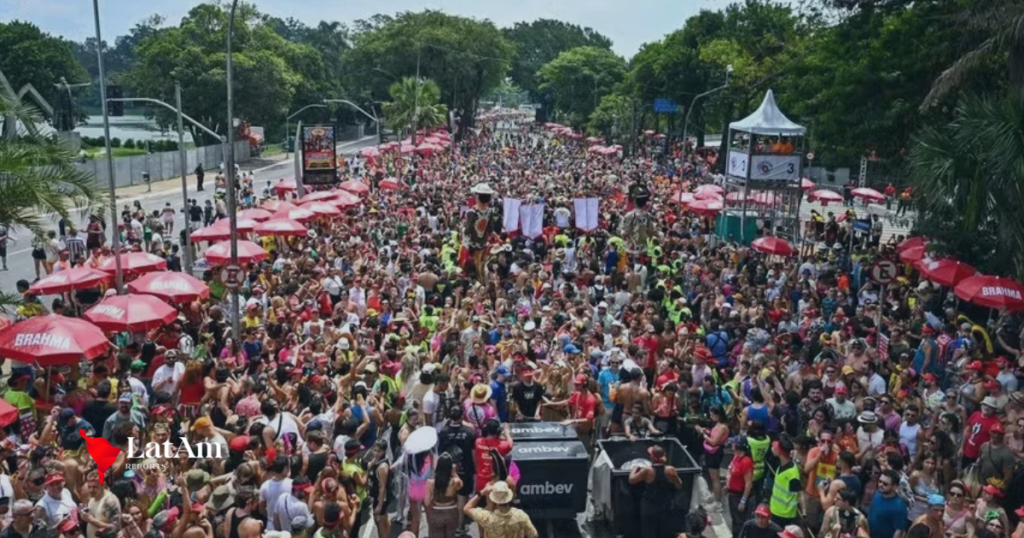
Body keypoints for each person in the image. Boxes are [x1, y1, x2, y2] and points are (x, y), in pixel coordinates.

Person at [627, 445, 682, 538]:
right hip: (665, 505)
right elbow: (679, 485)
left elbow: (631, 480)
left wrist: (635, 469)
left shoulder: (647, 470)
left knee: (648, 532)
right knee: (663, 531)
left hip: (649, 506)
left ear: (652, 457)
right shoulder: (670, 470)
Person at [463, 481, 538, 538]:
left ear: (494, 499)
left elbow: (466, 508)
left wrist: (482, 492)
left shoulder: (486, 517)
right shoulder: (521, 515)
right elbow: (534, 535)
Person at [868, 469, 909, 538]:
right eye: (880, 481)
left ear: (894, 486)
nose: (880, 485)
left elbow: (899, 531)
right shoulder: (877, 494)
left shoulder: (899, 506)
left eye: (885, 484)